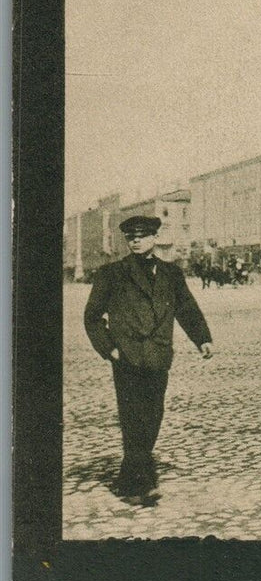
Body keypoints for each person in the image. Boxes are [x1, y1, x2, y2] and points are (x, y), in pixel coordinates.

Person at [83, 215, 214, 504]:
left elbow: (187, 308)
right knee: (133, 419)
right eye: (131, 237)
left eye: (142, 236)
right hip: (127, 357)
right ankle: (139, 485)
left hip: (158, 354)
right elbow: (92, 318)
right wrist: (110, 349)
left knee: (153, 417)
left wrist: (202, 338)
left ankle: (129, 476)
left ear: (155, 238)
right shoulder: (111, 273)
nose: (136, 241)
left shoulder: (171, 273)